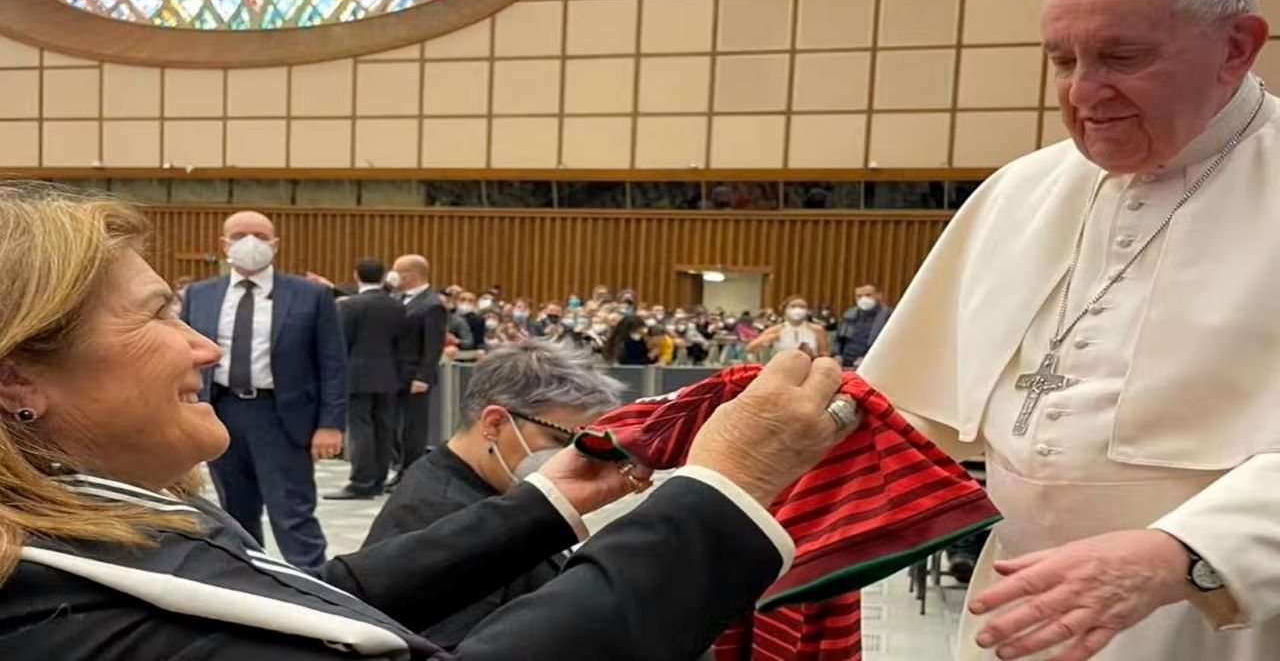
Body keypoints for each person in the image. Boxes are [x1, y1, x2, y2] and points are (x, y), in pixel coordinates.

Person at [0, 181, 856, 661]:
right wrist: (720, 491)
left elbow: (310, 601)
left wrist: (546, 504)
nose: (203, 346)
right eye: (157, 315)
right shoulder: (63, 618)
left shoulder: (88, 521)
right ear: (17, 379)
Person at [859, 0, 1280, 660]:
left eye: (1123, 57)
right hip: (1019, 611)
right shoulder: (1020, 190)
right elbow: (908, 409)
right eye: (1062, 61)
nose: (1083, 92)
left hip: (1230, 616)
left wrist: (1184, 555)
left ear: (1236, 47)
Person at [364, 341, 623, 648]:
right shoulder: (434, 515)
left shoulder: (499, 492)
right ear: (495, 423)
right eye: (559, 439)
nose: (574, 457)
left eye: (585, 444)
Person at [180, 209, 345, 570]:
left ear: (275, 244)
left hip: (282, 415)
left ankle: (314, 582)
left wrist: (330, 424)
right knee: (234, 512)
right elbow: (184, 356)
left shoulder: (311, 295)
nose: (250, 243)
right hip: (220, 411)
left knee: (292, 511)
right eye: (239, 236)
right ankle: (249, 578)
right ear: (224, 244)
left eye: (259, 235)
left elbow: (332, 363)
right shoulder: (200, 294)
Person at [326, 259, 406, 501]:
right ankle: (379, 479)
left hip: (358, 375)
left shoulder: (351, 305)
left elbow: (341, 343)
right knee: (384, 428)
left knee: (360, 428)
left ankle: (361, 481)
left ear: (356, 275)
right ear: (383, 276)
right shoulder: (397, 306)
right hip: (389, 374)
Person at [389, 255, 449, 485]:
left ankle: (410, 474)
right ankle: (398, 468)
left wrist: (423, 376)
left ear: (412, 274)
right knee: (393, 426)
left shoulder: (432, 304)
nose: (393, 276)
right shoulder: (398, 299)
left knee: (413, 428)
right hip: (394, 374)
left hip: (415, 376)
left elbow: (433, 345)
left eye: (398, 271)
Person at [746, 296, 829, 358]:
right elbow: (750, 349)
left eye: (802, 307)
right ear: (785, 310)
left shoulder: (817, 330)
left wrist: (815, 355)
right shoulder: (775, 330)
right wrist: (768, 339)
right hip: (780, 369)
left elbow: (825, 354)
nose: (798, 310)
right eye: (793, 306)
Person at [834, 284, 893, 369]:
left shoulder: (889, 316)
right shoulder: (849, 315)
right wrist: (837, 355)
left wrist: (868, 359)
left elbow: (890, 345)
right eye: (859, 296)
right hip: (845, 363)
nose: (863, 299)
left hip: (874, 364)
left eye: (868, 295)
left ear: (879, 296)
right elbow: (839, 340)